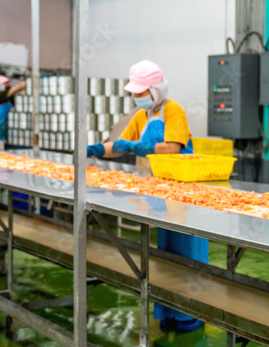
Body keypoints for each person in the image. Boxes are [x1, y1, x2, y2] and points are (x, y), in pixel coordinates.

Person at [86, 60, 205, 332]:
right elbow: (119, 146)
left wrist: (137, 147)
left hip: (182, 190)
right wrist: (93, 149)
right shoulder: (141, 115)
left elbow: (173, 147)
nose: (137, 98)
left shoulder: (173, 110)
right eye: (135, 93)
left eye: (141, 93)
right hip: (158, 189)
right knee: (166, 252)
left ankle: (191, 314)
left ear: (156, 90)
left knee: (187, 248)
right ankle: (168, 310)